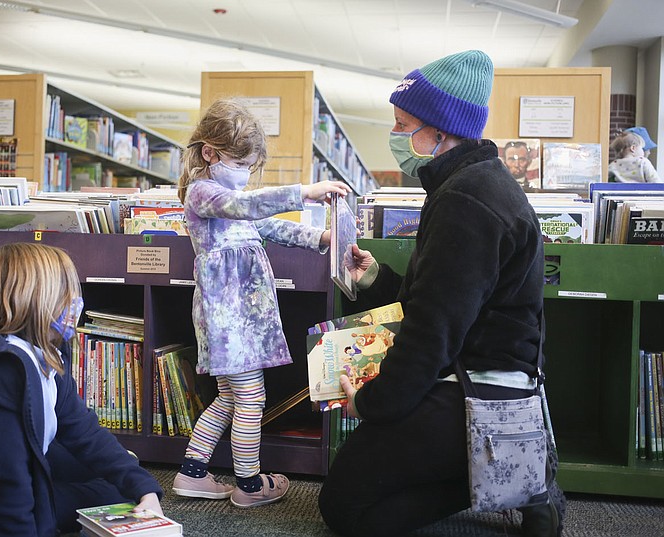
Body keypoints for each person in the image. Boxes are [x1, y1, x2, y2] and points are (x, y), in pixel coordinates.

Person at [317, 50, 565, 537]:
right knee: (358, 486)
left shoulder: (467, 201)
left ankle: (519, 483)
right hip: (472, 374)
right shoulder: (468, 184)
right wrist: (374, 280)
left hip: (476, 390)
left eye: (402, 124)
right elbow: (437, 300)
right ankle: (506, 475)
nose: (396, 136)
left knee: (346, 508)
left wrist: (372, 402)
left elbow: (434, 331)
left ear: (439, 132)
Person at [171, 98, 351, 508]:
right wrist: (303, 192)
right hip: (228, 318)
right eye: (240, 163)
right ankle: (249, 485)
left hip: (240, 319)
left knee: (231, 396)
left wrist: (323, 239)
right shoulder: (203, 193)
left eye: (249, 166)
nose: (243, 174)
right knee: (252, 398)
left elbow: (267, 224)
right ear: (210, 154)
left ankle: (192, 472)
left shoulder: (226, 198)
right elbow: (245, 206)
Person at [0, 243, 164, 536]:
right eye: (65, 294)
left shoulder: (46, 353)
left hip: (22, 472)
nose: (76, 304)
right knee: (113, 494)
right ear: (32, 300)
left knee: (122, 472)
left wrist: (145, 490)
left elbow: (84, 432)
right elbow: (8, 481)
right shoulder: (3, 371)